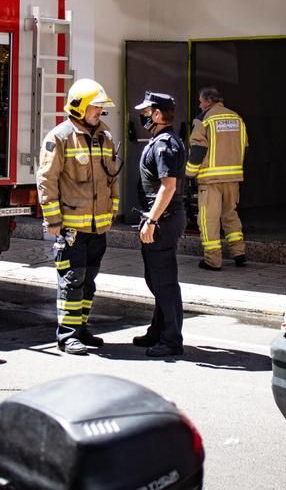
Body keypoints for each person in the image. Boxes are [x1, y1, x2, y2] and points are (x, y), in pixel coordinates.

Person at [36, 78, 121, 355]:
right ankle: (68, 335)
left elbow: (112, 181)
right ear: (79, 107)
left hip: (97, 226)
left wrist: (112, 213)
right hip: (71, 227)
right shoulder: (59, 137)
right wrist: (53, 221)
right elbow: (46, 180)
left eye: (100, 108)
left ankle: (82, 328)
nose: (100, 112)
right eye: (95, 107)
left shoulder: (105, 137)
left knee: (88, 281)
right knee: (72, 280)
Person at [132, 91, 188, 357]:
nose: (142, 117)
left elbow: (168, 187)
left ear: (157, 114)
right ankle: (158, 330)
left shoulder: (164, 144)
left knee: (164, 281)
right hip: (162, 219)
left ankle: (172, 340)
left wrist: (151, 221)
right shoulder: (162, 141)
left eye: (146, 113)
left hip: (162, 220)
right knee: (156, 278)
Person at [186, 87, 248, 271]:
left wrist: (189, 174)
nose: (199, 105)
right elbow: (244, 145)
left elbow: (197, 150)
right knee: (230, 214)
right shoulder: (237, 118)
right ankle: (239, 252)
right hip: (233, 177)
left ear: (208, 102)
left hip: (210, 180)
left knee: (208, 219)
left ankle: (213, 260)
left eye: (200, 101)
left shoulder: (204, 119)